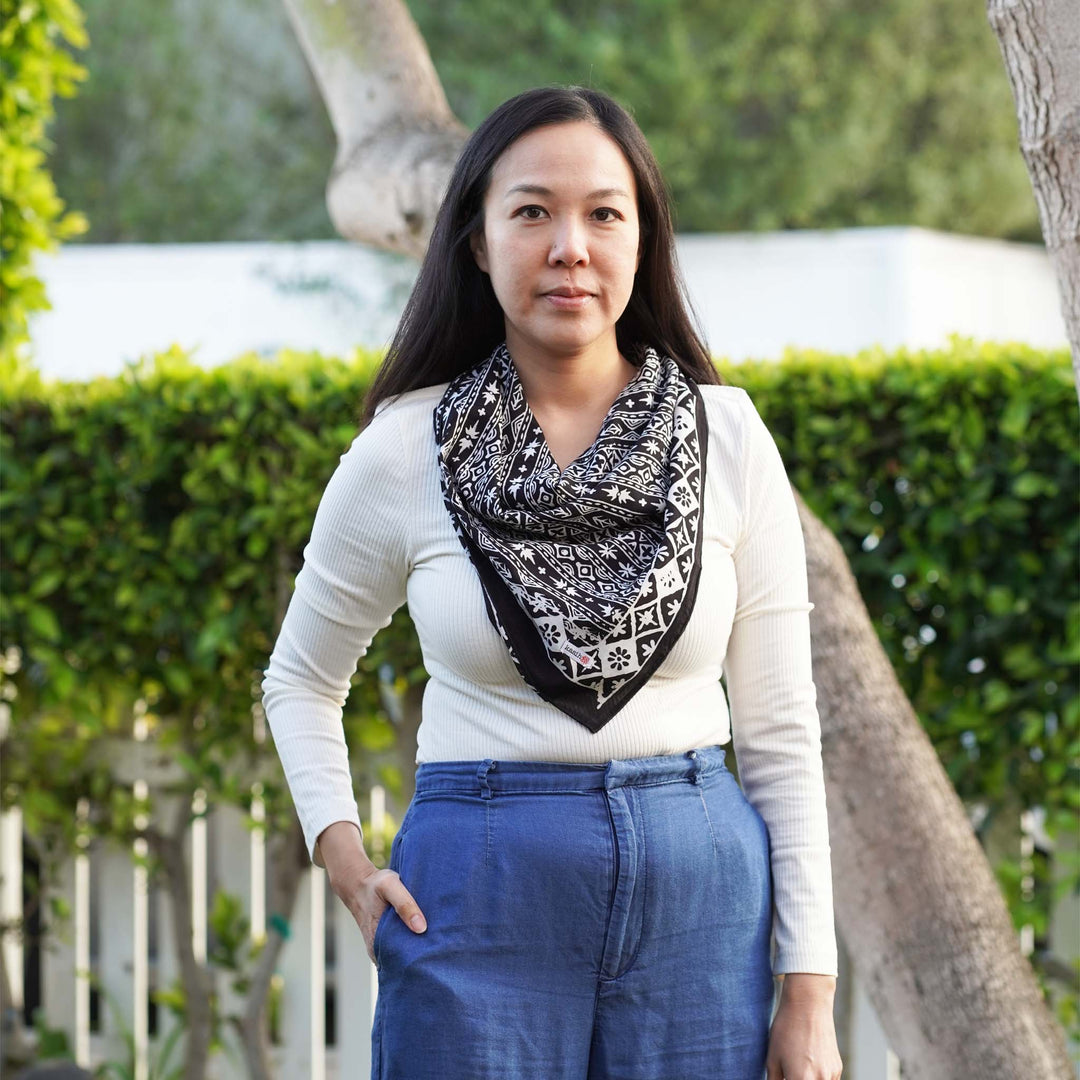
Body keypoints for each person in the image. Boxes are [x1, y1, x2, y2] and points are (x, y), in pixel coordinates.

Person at [261, 85, 843, 1080]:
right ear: (478, 242)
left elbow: (782, 733)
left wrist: (809, 996)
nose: (569, 245)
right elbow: (302, 679)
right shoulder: (404, 450)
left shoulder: (730, 437)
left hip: (701, 905)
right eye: (531, 211)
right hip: (476, 895)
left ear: (641, 239)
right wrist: (348, 864)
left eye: (603, 214)